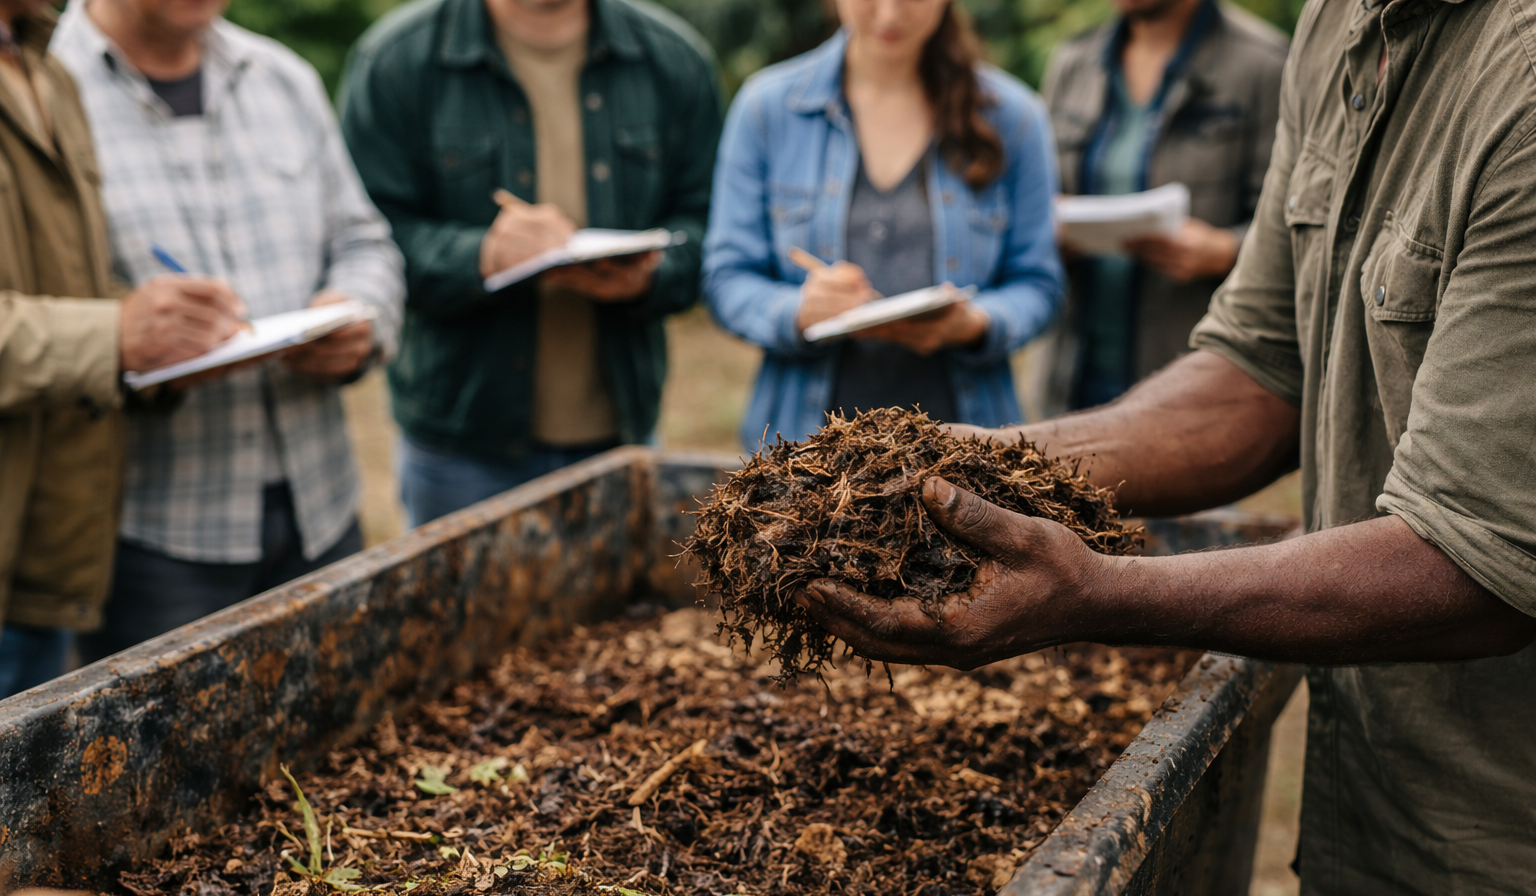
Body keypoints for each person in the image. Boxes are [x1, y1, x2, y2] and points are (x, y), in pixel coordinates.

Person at [796, 0, 1536, 896]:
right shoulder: (1345, 24)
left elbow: (1475, 560)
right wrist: (966, 465)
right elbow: (1258, 373)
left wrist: (1097, 595)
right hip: (1411, 820)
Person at [52, 0, 405, 662]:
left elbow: (365, 241)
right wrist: (124, 334)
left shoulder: (282, 78)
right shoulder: (42, 93)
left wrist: (360, 312)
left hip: (322, 508)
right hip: (153, 537)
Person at [338, 0, 721, 527]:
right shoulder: (396, 60)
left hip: (622, 436)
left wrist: (652, 274)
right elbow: (363, 240)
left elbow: (711, 229)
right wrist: (481, 256)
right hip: (461, 448)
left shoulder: (673, 60)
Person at [0, 0, 247, 697]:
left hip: (44, 561)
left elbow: (64, 286)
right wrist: (113, 336)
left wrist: (167, 339)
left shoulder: (47, 71)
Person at [701, 0, 1063, 449]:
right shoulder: (767, 110)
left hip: (967, 446)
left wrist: (976, 324)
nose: (890, 15)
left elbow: (1039, 283)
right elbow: (727, 276)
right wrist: (799, 311)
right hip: (803, 452)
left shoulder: (1014, 118)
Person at [1034, 0, 1285, 415]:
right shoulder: (1072, 61)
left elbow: (1295, 225)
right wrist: (1045, 230)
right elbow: (1037, 200)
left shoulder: (1264, 66)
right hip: (1071, 372)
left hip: (1185, 373)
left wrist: (1224, 250)